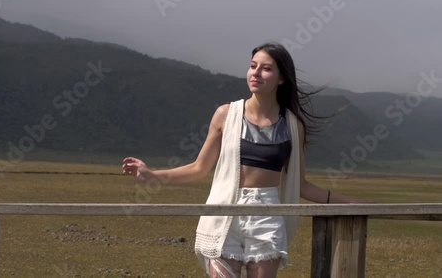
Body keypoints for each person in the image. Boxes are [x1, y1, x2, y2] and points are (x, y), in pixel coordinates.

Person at [122, 42, 365, 278]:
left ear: (281, 79)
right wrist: (151, 175)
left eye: (266, 68)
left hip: (267, 215)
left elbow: (300, 185)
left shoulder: (293, 125)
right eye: (252, 66)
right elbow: (199, 168)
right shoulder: (225, 115)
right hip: (224, 211)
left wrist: (351, 203)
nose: (256, 73)